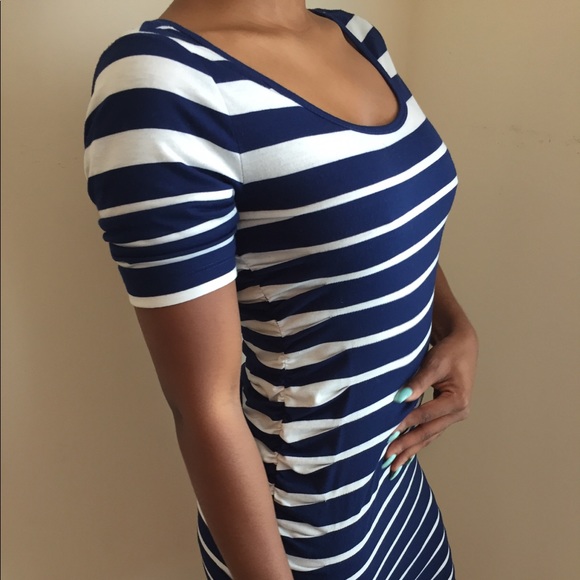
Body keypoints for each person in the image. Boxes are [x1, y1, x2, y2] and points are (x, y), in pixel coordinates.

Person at [84, 1, 478, 578]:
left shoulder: (354, 34)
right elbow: (204, 406)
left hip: (397, 491)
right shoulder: (159, 84)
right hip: (305, 530)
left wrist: (455, 325)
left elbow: (389, 218)